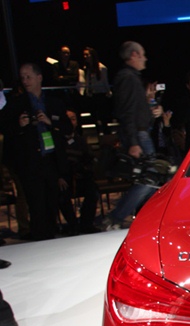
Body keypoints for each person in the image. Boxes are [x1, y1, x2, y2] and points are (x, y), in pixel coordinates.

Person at [1, 63, 70, 240]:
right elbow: (5, 129)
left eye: (28, 77)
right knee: (36, 203)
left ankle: (50, 236)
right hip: (29, 161)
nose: (25, 81)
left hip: (51, 159)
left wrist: (50, 123)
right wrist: (20, 125)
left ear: (39, 78)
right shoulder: (16, 104)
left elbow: (67, 128)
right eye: (22, 78)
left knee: (52, 201)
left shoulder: (54, 103)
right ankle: (40, 238)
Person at [101, 42, 158, 231]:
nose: (145, 59)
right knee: (149, 179)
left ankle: (148, 219)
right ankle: (116, 217)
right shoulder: (127, 78)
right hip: (138, 136)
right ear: (134, 55)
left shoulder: (130, 77)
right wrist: (133, 142)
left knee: (151, 180)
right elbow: (126, 113)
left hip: (140, 134)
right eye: (142, 54)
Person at [58, 109, 100, 234]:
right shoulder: (57, 140)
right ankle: (73, 225)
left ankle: (86, 224)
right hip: (63, 178)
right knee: (61, 194)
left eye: (73, 119)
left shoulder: (80, 140)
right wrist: (59, 176)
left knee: (93, 191)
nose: (71, 122)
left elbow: (89, 159)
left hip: (80, 177)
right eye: (68, 119)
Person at [80, 47, 113, 135]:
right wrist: (87, 91)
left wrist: (108, 91)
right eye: (84, 55)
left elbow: (105, 81)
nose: (85, 57)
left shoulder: (101, 68)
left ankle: (106, 134)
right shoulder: (87, 68)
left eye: (87, 55)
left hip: (101, 94)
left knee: (103, 117)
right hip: (92, 95)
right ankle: (99, 133)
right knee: (94, 116)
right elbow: (87, 81)